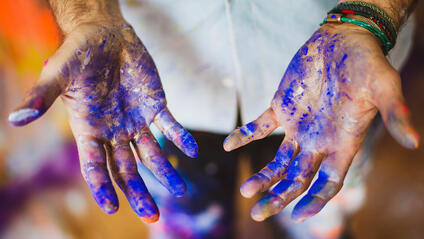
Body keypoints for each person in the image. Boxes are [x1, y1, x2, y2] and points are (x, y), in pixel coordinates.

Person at [8, 0, 419, 238]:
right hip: (151, 93)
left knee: (318, 221)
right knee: (189, 225)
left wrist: (372, 16)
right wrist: (86, 16)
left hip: (335, 91)